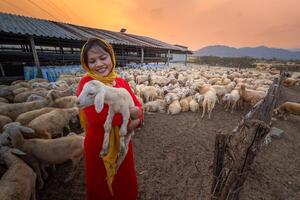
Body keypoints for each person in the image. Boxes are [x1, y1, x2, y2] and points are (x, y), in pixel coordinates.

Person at [76, 38, 143, 200]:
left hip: (122, 142)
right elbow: (96, 118)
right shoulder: (87, 83)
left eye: (103, 58)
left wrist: (137, 118)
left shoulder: (121, 82)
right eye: (92, 61)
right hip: (99, 145)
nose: (99, 64)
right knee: (102, 186)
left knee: (124, 181)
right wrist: (130, 118)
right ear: (86, 64)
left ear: (111, 58)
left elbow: (138, 108)